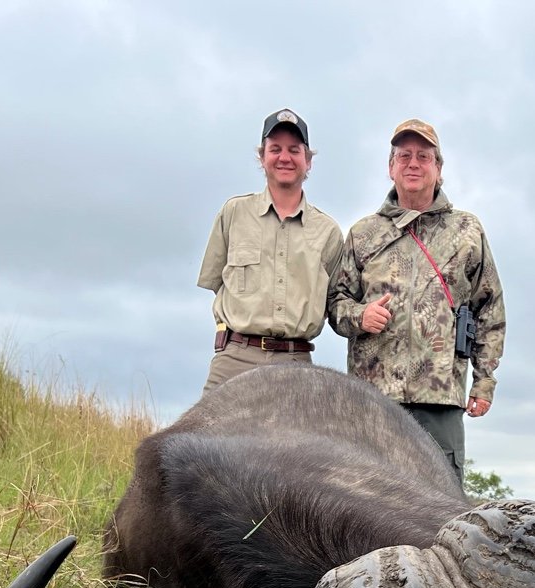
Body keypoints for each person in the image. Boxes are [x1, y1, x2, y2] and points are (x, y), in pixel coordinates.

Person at [329, 118, 504, 477]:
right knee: (369, 501)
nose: (413, 163)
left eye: (423, 156)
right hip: (374, 398)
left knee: (441, 503)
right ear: (390, 167)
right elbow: (336, 303)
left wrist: (483, 381)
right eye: (404, 155)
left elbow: (490, 308)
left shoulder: (467, 229)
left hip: (439, 397)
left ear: (438, 169)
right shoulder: (363, 233)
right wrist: (359, 316)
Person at [197, 109, 344, 395]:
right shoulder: (233, 213)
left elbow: (336, 304)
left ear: (308, 161)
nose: (285, 158)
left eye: (294, 150)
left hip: (296, 363)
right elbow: (217, 283)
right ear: (262, 157)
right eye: (275, 149)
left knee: (299, 441)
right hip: (234, 359)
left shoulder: (328, 232)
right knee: (198, 439)